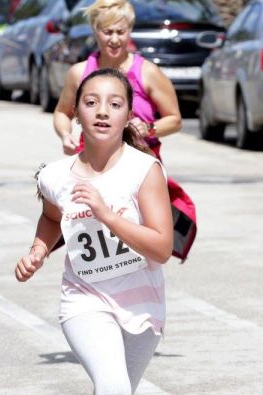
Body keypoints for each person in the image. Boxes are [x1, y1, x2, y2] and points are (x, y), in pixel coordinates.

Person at [15, 68, 173, 395]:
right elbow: (51, 218)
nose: (102, 111)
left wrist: (106, 213)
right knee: (113, 389)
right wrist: (39, 249)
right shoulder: (55, 175)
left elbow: (161, 247)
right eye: (91, 102)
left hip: (141, 304)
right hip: (84, 299)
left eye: (115, 103)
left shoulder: (144, 170)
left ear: (128, 115)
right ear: (76, 113)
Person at [53, 0, 196, 261]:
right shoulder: (79, 73)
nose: (115, 39)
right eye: (107, 32)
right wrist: (66, 134)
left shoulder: (147, 72)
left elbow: (175, 119)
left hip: (139, 170)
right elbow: (63, 112)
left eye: (121, 31)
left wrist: (149, 128)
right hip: (94, 167)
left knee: (141, 244)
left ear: (130, 31)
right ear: (95, 31)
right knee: (95, 238)